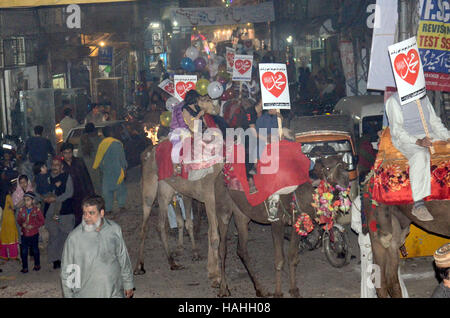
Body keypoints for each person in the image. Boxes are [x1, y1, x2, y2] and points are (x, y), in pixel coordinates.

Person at [385, 93, 450, 221]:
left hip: (428, 135)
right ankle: (418, 204)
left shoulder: (423, 97)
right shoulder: (394, 101)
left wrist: (447, 136)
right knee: (421, 155)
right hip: (406, 140)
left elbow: (435, 122)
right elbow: (398, 131)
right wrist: (418, 141)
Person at [61, 195, 134, 298]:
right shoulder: (74, 238)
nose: (86, 217)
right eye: (85, 213)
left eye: (91, 213)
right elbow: (68, 270)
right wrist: (69, 295)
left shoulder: (114, 230)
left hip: (114, 291)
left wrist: (128, 283)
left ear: (102, 213)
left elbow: (123, 258)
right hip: (86, 293)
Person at [44, 157, 75, 270]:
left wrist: (56, 199)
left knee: (65, 236)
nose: (55, 166)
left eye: (57, 164)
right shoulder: (46, 177)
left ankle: (63, 258)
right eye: (53, 164)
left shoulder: (67, 177)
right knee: (54, 236)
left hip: (65, 212)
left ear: (61, 166)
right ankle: (54, 259)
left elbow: (69, 193)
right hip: (51, 213)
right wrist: (46, 198)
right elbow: (40, 191)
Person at [93, 126, 127, 214]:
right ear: (112, 133)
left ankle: (108, 209)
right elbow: (122, 158)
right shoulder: (117, 143)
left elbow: (99, 159)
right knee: (121, 189)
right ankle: (121, 206)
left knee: (107, 191)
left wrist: (102, 169)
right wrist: (124, 167)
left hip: (107, 171)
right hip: (118, 170)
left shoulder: (102, 144)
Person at [60, 142, 95, 227]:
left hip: (81, 194)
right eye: (65, 153)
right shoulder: (60, 166)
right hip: (68, 198)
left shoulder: (79, 162)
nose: (68, 155)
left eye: (69, 153)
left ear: (72, 152)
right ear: (62, 153)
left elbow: (86, 178)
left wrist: (91, 194)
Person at [16, 192, 45, 273]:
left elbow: (42, 221)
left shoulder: (37, 210)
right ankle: (25, 267)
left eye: (28, 200)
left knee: (35, 250)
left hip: (34, 233)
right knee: (24, 251)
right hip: (24, 234)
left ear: (33, 200)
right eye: (25, 200)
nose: (26, 202)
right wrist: (22, 224)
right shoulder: (22, 210)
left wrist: (34, 225)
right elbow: (18, 220)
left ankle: (37, 265)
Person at [79, 123, 102, 195]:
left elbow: (79, 155)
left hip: (87, 167)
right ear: (94, 130)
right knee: (98, 186)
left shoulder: (82, 140)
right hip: (97, 166)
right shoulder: (99, 140)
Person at [0, 180, 19, 261]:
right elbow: (13, 207)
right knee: (11, 238)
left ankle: (4, 256)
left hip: (2, 222)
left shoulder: (2, 197)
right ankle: (13, 255)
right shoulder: (8, 197)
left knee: (3, 238)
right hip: (9, 220)